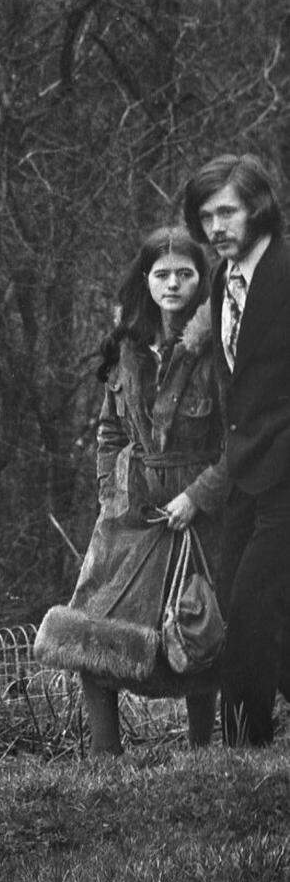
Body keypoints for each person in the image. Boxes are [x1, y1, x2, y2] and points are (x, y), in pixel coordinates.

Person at [34, 227, 227, 752]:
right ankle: (104, 756)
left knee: (196, 625)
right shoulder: (127, 345)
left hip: (198, 512)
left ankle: (203, 751)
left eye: (184, 274)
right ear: (146, 279)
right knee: (90, 630)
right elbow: (110, 431)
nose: (172, 285)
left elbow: (241, 440)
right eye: (161, 274)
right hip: (127, 515)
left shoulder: (221, 345)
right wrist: (109, 492)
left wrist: (199, 497)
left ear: (200, 280)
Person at [181, 152, 290, 747]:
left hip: (286, 471)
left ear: (258, 208)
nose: (215, 227)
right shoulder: (224, 278)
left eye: (227, 212)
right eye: (206, 216)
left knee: (251, 608)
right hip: (248, 468)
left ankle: (244, 752)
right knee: (238, 603)